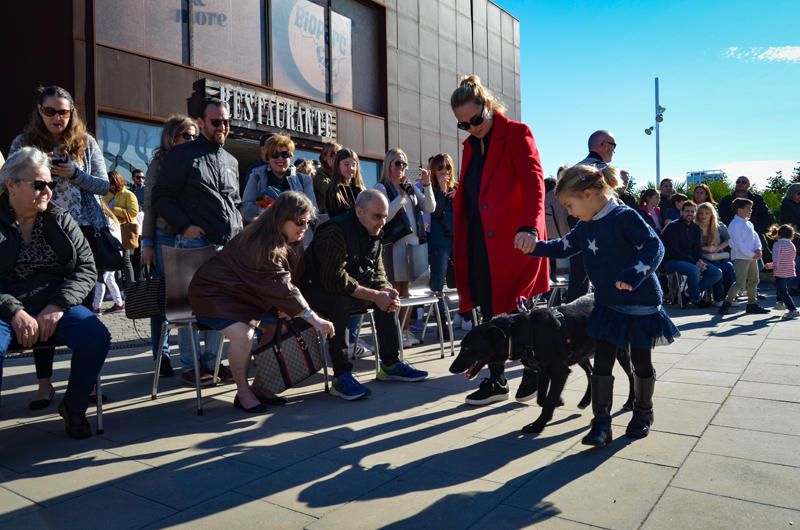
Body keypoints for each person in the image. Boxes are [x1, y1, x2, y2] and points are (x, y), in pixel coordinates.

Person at [527, 164, 678, 445]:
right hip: (608, 304)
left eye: (570, 205)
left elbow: (654, 246)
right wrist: (534, 246)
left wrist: (634, 274)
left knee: (640, 360)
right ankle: (601, 423)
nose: (570, 213)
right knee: (603, 362)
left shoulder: (624, 216)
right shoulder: (586, 225)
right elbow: (564, 246)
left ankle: (643, 413)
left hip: (639, 303)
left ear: (588, 195)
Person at [450, 74, 548, 406]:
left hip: (515, 241)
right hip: (480, 242)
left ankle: (535, 369)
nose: (471, 127)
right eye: (463, 125)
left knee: (519, 310)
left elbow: (535, 183)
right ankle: (497, 380)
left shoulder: (517, 134)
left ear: (489, 106)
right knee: (490, 312)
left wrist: (531, 227)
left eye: (475, 119)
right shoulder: (469, 146)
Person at [9, 86, 110, 408]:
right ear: (39, 111)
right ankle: (44, 384)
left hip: (79, 230)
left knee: (81, 306)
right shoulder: (24, 143)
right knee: (38, 302)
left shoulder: (85, 142)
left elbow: (104, 185)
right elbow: (7, 179)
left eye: (64, 112)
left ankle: (88, 385)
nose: (57, 118)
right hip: (31, 228)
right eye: (50, 111)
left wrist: (75, 174)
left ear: (72, 113)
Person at [0, 147, 110, 439]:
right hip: (6, 308)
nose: (47, 191)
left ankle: (73, 407)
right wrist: (14, 311)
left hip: (54, 301)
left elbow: (87, 268)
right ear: (11, 184)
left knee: (95, 336)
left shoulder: (60, 219)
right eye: (38, 184)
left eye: (50, 183)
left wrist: (58, 304)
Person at [190, 192, 335, 412]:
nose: (305, 227)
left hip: (246, 297)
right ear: (282, 218)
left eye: (308, 222)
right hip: (215, 295)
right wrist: (311, 317)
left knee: (280, 326)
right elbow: (280, 283)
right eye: (299, 222)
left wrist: (285, 307)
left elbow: (281, 283)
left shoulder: (287, 240)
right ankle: (243, 392)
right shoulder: (261, 242)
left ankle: (260, 387)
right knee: (244, 334)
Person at [302, 189, 429, 400]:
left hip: (348, 288)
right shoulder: (335, 231)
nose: (382, 222)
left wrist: (385, 289)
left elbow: (377, 269)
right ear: (359, 211)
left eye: (385, 216)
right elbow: (334, 280)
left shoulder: (375, 230)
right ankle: (341, 376)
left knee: (385, 296)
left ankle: (390, 364)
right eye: (377, 216)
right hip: (317, 292)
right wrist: (374, 295)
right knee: (341, 303)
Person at [153, 98, 242, 386]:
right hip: (193, 244)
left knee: (222, 306)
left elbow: (235, 203)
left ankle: (212, 362)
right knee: (189, 309)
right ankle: (191, 366)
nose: (223, 127)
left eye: (226, 122)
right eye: (216, 121)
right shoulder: (182, 155)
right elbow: (161, 197)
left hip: (226, 247)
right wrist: (185, 226)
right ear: (201, 122)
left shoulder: (231, 160)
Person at [140, 114, 198, 378]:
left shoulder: (198, 160)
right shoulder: (158, 163)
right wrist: (147, 242)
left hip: (193, 238)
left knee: (188, 300)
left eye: (195, 135)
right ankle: (161, 356)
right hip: (163, 235)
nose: (191, 140)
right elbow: (150, 205)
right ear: (171, 137)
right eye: (187, 135)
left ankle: (191, 359)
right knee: (164, 298)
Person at [375, 148, 436, 348]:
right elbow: (384, 216)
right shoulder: (382, 187)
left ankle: (403, 329)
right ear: (389, 165)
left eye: (404, 164)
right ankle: (393, 332)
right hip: (394, 246)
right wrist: (400, 196)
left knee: (408, 292)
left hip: (414, 245)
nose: (402, 168)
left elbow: (430, 207)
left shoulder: (409, 188)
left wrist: (426, 185)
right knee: (395, 291)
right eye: (398, 163)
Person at [565, 130, 617, 304]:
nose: (614, 150)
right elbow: (612, 208)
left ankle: (571, 323)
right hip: (601, 235)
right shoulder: (603, 171)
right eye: (613, 145)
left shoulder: (572, 171)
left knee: (578, 281)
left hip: (577, 231)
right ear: (603, 145)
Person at [241, 134, 317, 225]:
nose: (280, 158)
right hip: (266, 233)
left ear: (291, 157)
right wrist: (275, 213)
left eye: (285, 154)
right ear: (268, 157)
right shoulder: (256, 176)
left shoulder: (304, 180)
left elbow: (313, 211)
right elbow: (246, 209)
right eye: (275, 155)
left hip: (295, 235)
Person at [660, 201, 722, 308]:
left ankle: (688, 294)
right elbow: (673, 250)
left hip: (691, 260)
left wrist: (699, 260)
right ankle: (696, 299)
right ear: (682, 212)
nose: (689, 213)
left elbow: (697, 249)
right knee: (694, 270)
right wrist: (695, 262)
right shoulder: (672, 226)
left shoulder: (696, 228)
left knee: (716, 273)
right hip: (672, 261)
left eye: (692, 211)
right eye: (687, 211)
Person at [718, 198, 770, 315]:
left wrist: (758, 249)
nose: (750, 210)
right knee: (740, 282)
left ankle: (752, 304)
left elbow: (756, 237)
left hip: (752, 257)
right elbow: (739, 244)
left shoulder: (748, 223)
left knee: (754, 280)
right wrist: (753, 254)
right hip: (741, 257)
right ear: (739, 210)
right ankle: (727, 303)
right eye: (748, 208)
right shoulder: (734, 225)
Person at [427, 152, 457, 337]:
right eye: (440, 167)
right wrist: (443, 192)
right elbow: (435, 213)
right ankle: (443, 324)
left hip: (456, 238)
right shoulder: (430, 190)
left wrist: (457, 197)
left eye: (447, 167)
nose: (444, 170)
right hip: (439, 241)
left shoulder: (457, 189)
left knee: (462, 279)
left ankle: (467, 316)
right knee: (438, 284)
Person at [103, 170, 138, 288]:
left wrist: (114, 209)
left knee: (126, 261)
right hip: (110, 231)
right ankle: (119, 291)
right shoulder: (106, 194)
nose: (109, 186)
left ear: (117, 182)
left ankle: (131, 289)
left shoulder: (128, 194)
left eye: (111, 183)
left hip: (124, 231)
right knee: (115, 262)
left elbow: (133, 212)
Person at [695, 202, 735, 302]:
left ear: (711, 214)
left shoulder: (719, 226)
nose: (704, 216)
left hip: (718, 255)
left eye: (707, 213)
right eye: (701, 213)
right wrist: (705, 248)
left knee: (729, 268)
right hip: (702, 256)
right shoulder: (694, 227)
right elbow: (691, 245)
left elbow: (730, 240)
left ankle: (729, 297)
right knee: (718, 268)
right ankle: (719, 299)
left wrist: (717, 248)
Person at [92, 203, 125, 314]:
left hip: (107, 252)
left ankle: (95, 307)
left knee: (100, 279)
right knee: (110, 279)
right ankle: (119, 303)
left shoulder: (104, 221)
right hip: (114, 252)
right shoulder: (113, 219)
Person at [767, 224, 798, 320]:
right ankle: (780, 303)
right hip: (790, 271)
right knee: (779, 286)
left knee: (782, 290)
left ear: (778, 234)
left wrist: (770, 265)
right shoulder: (791, 245)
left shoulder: (778, 244)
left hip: (780, 272)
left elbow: (777, 261)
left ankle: (793, 310)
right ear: (791, 235)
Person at [325, 147, 366, 218]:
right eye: (346, 164)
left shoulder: (361, 189)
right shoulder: (334, 190)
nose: (351, 168)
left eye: (353, 164)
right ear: (338, 166)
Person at [779, 183, 800, 294]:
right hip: (792, 237)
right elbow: (788, 222)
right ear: (792, 193)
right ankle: (792, 286)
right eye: (798, 193)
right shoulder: (787, 205)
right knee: (794, 262)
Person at [313, 141, 342, 214]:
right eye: (333, 154)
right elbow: (330, 192)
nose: (336, 157)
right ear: (325, 157)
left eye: (339, 154)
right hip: (327, 215)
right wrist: (334, 170)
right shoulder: (318, 174)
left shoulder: (343, 173)